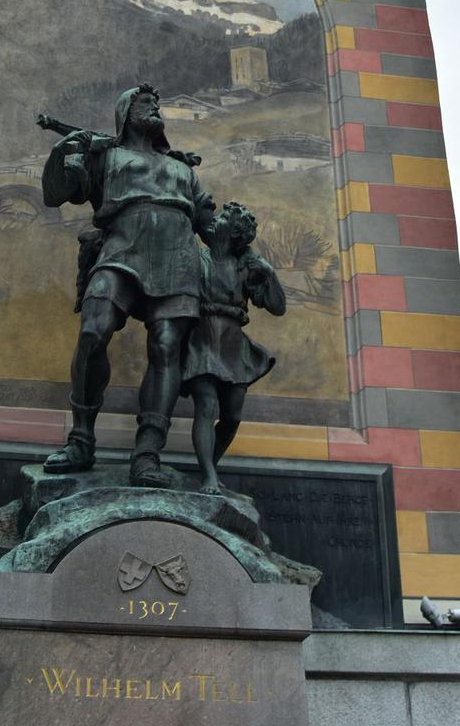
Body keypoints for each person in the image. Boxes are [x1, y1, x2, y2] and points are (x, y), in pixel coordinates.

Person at [40, 83, 215, 485]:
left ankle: (147, 455)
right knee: (92, 332)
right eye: (145, 102)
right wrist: (63, 152)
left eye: (157, 104)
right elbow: (55, 195)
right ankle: (81, 439)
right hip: (121, 248)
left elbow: (208, 225)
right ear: (125, 111)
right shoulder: (106, 156)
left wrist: (240, 259)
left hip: (177, 258)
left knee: (167, 347)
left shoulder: (182, 169)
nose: (155, 107)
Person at [181, 201, 286, 492]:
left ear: (235, 232)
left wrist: (269, 273)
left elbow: (277, 307)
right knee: (206, 405)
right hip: (202, 337)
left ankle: (209, 468)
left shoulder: (246, 266)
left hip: (233, 343)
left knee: (233, 416)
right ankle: (209, 477)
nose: (216, 220)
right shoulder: (195, 257)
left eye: (225, 217)